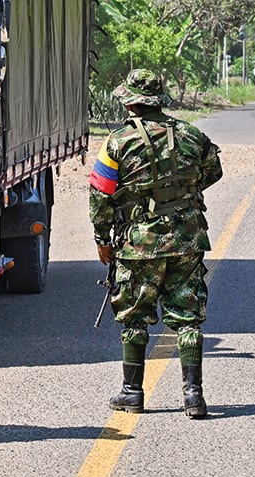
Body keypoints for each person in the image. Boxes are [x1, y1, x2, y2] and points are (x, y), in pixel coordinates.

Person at [89, 69, 223, 419]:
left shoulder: (117, 142)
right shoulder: (193, 135)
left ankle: (132, 393)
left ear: (130, 101)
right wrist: (179, 196)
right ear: (160, 101)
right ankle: (193, 396)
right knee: (188, 317)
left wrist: (103, 239)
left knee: (135, 318)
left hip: (139, 244)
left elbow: (99, 195)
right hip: (187, 239)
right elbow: (213, 171)